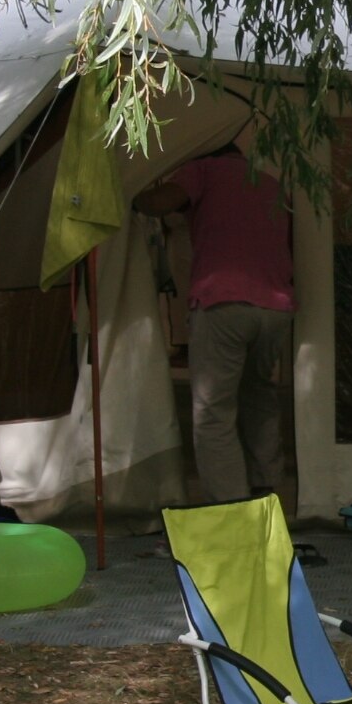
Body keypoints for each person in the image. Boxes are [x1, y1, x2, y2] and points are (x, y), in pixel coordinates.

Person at [134, 131, 295, 503]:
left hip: (224, 304)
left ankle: (230, 505)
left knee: (213, 410)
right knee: (260, 396)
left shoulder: (202, 170)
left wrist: (130, 195)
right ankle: (265, 488)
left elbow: (162, 202)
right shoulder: (270, 183)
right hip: (275, 307)